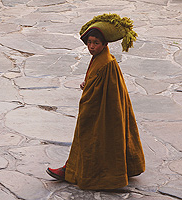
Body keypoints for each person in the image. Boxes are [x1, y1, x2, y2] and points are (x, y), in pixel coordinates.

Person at [46, 13, 145, 190]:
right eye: (89, 42)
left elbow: (106, 91)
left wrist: (88, 97)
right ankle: (72, 168)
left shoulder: (106, 63)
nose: (91, 46)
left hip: (102, 111)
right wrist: (88, 83)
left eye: (96, 43)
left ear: (105, 44)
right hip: (104, 108)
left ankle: (85, 174)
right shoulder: (100, 58)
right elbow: (96, 82)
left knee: (91, 139)